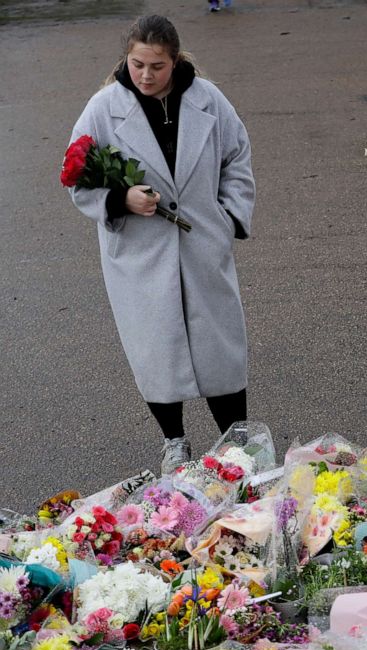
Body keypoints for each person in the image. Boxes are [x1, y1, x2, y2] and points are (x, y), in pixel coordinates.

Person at [67, 15, 255, 474]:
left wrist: (229, 217)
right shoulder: (102, 107)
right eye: (137, 64)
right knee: (155, 348)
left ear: (175, 61)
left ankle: (238, 440)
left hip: (201, 241)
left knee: (221, 342)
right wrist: (120, 198)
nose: (146, 75)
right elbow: (75, 178)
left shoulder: (209, 100)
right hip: (139, 250)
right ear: (125, 59)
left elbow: (237, 157)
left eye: (157, 66)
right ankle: (174, 441)